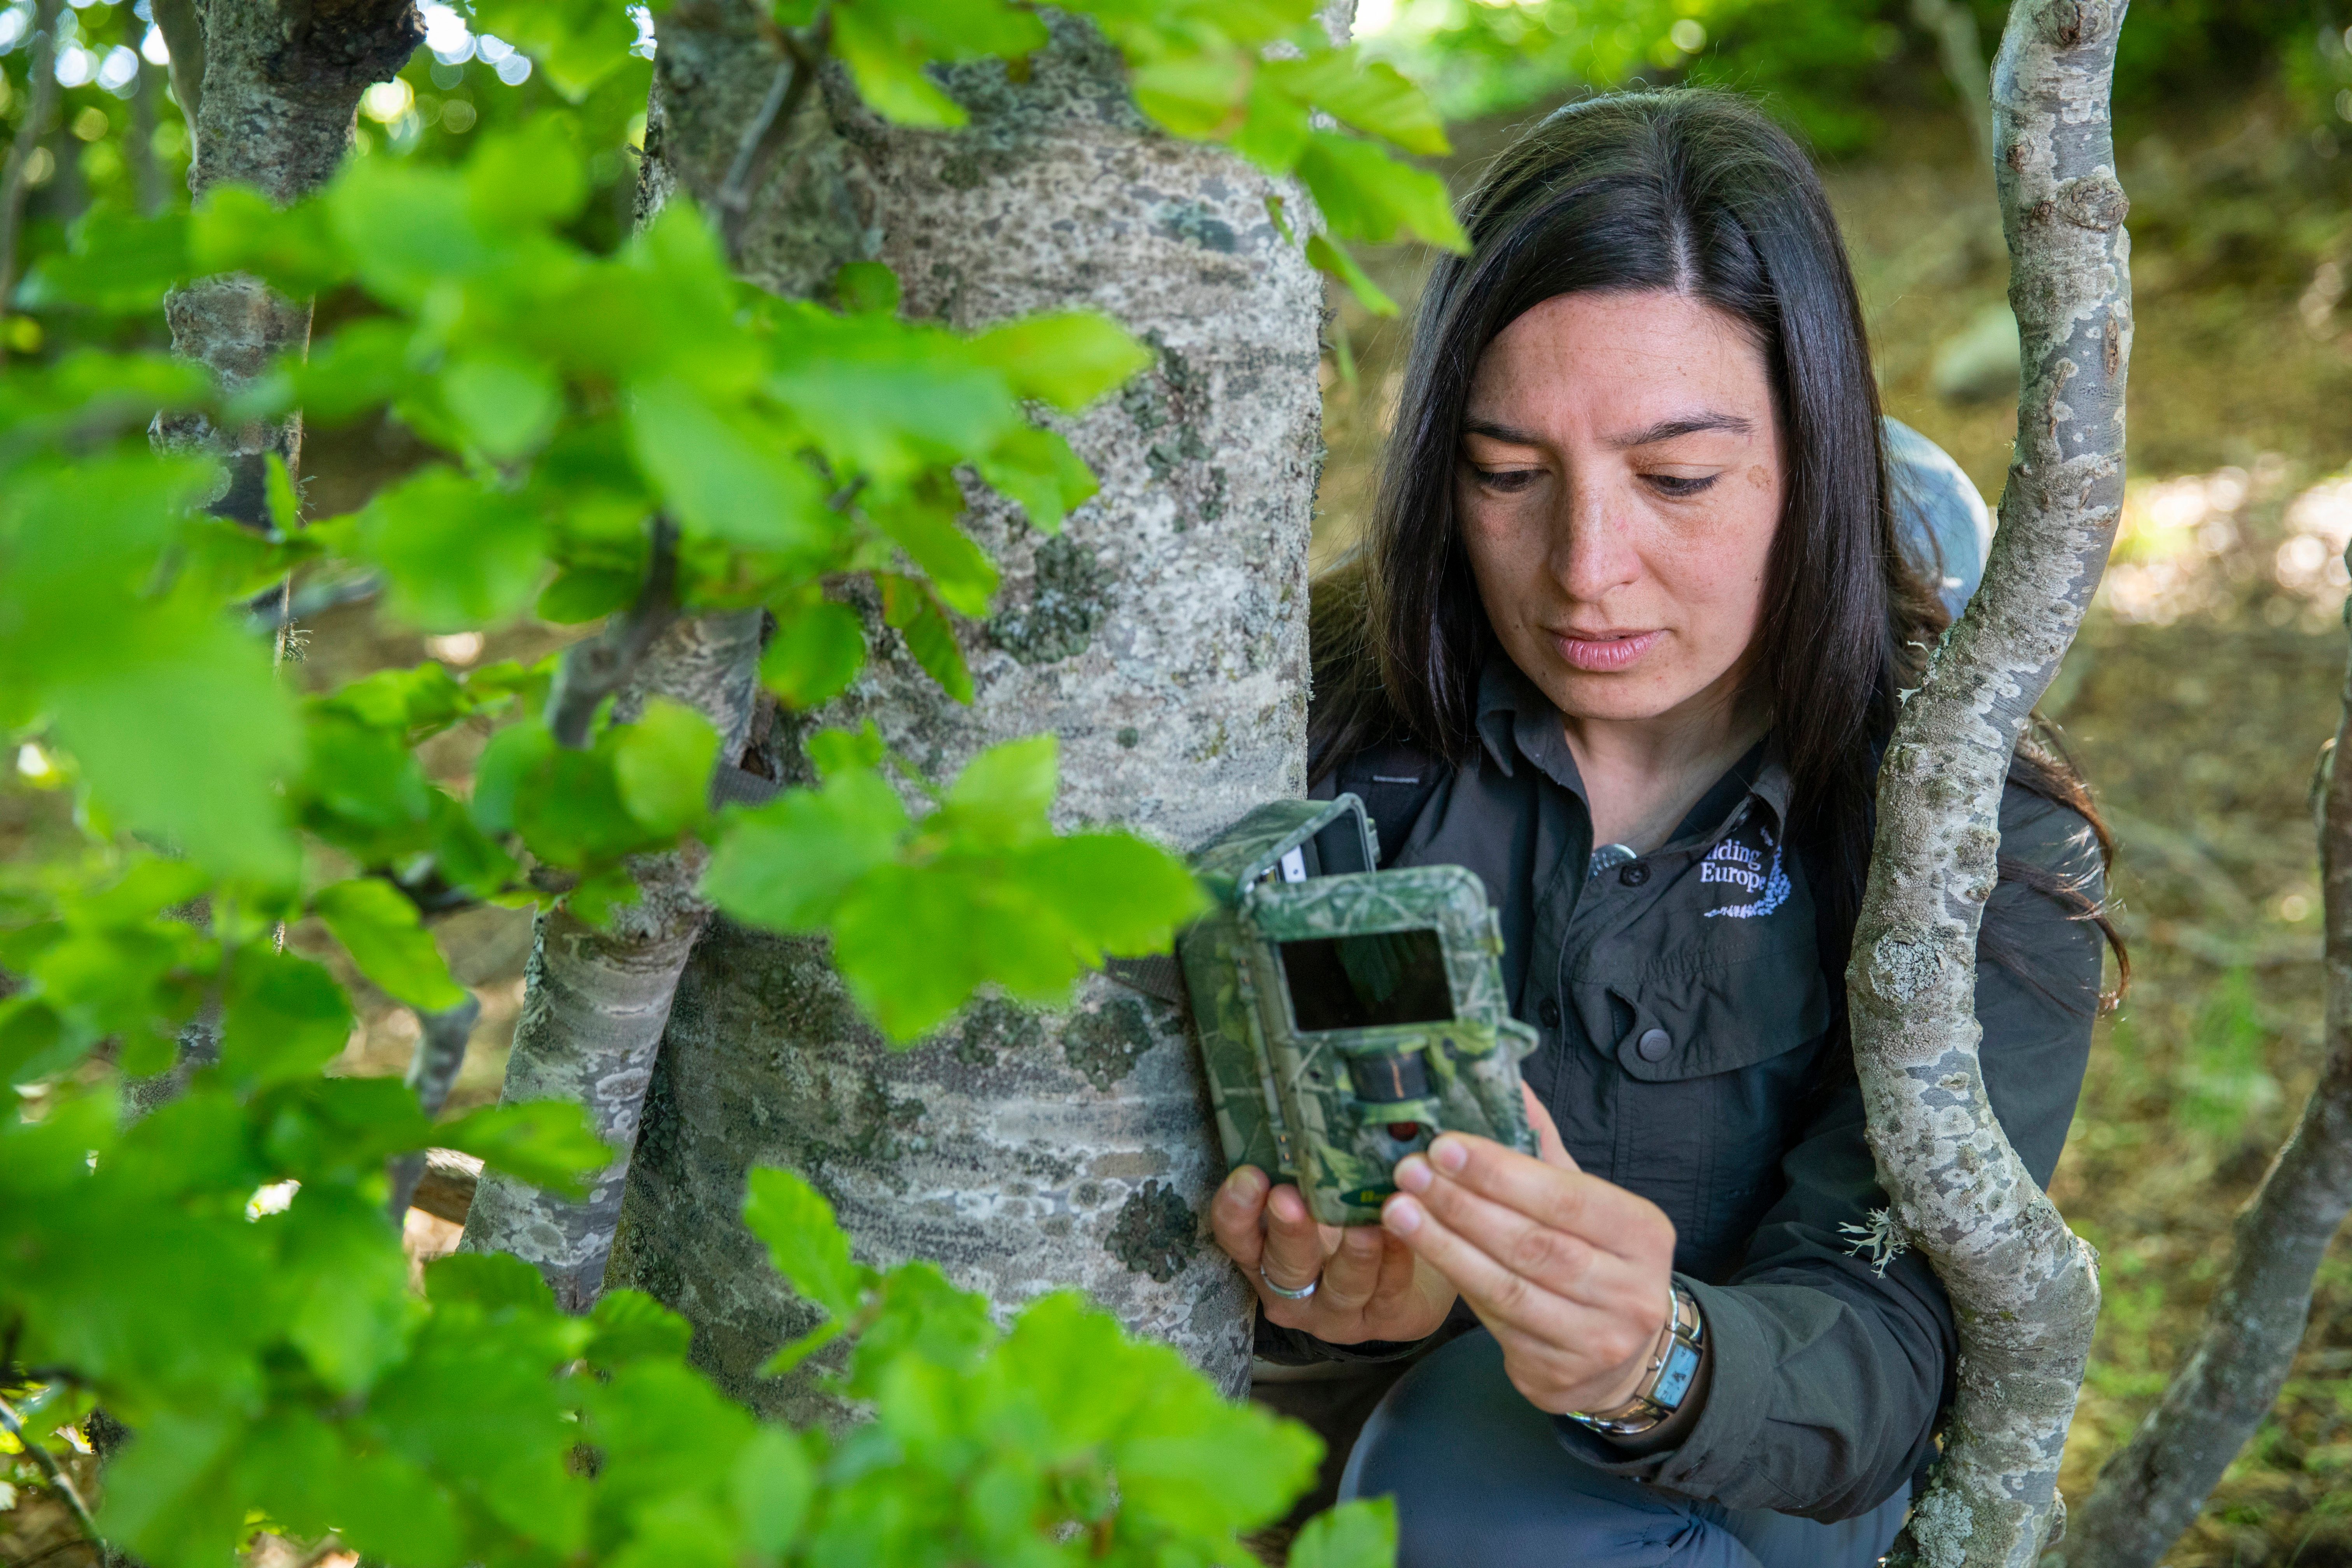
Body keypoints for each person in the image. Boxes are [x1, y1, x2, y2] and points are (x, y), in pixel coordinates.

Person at [1208, 90, 2121, 1568]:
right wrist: (1322, 1302)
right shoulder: (1292, 712)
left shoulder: (1970, 829)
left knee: (1476, 1474)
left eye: (1677, 479)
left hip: (1731, 1505)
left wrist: (1658, 1356)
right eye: (1508, 475)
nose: (1586, 569)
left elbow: (1890, 1344)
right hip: (1295, 1491)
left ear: (1819, 456)